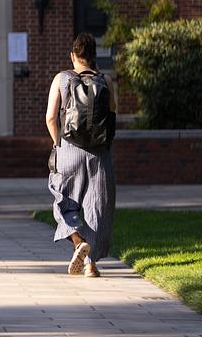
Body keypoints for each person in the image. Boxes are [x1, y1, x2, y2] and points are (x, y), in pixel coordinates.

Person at [45, 33, 115, 278]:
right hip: (99, 153)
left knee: (63, 199)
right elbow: (112, 116)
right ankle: (91, 264)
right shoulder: (105, 80)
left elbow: (51, 118)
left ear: (73, 55)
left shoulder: (62, 79)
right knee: (98, 206)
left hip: (69, 149)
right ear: (93, 56)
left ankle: (77, 240)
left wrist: (57, 144)